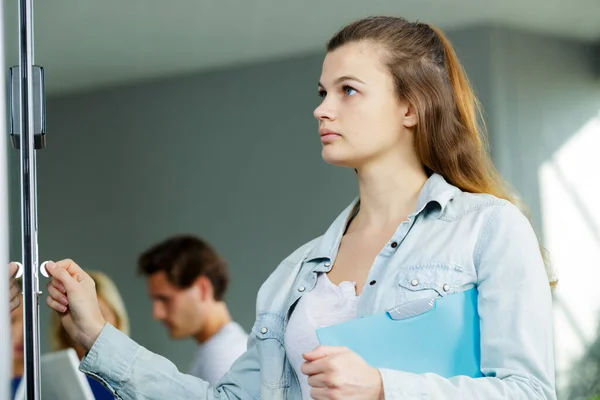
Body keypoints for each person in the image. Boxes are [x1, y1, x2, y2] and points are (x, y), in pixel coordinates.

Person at [44, 15, 556, 400]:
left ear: (411, 106)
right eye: (322, 91)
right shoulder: (295, 276)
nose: (321, 108)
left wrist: (383, 387)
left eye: (348, 90)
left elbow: (530, 391)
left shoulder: (489, 228)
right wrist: (98, 337)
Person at [137, 234, 248, 385]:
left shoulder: (222, 360)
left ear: (202, 288)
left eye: (164, 299)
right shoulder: (218, 352)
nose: (157, 313)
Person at [49, 271, 129, 400]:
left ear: (117, 320)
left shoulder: (135, 379)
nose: (88, 324)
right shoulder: (51, 379)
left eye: (100, 315)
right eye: (78, 314)